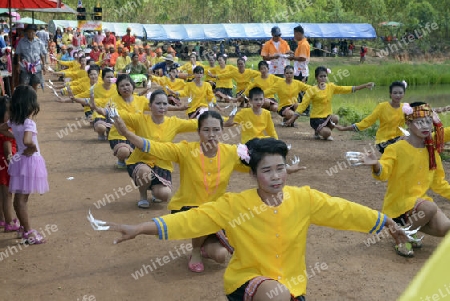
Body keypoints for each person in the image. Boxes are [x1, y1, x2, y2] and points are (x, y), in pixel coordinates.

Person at [93, 136, 407, 299]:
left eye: (280, 168)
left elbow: (344, 210)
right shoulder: (234, 204)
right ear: (253, 174)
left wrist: (385, 222)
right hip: (248, 283)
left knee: (283, 292)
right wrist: (141, 228)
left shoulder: (305, 199)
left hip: (292, 287)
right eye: (266, 170)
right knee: (275, 293)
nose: (275, 176)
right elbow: (190, 220)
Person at [109, 111, 305, 273]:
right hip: (186, 208)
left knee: (220, 257)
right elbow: (153, 146)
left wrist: (285, 169)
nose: (211, 134)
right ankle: (195, 250)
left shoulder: (230, 153)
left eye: (216, 130)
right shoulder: (186, 150)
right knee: (201, 213)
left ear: (222, 131)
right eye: (206, 130)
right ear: (198, 131)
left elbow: (258, 168)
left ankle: (204, 245)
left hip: (216, 212)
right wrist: (126, 132)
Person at [360, 102, 449, 257]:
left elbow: (439, 183)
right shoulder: (396, 148)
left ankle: (408, 228)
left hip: (419, 204)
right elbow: (383, 172)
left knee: (445, 227)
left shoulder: (431, 152)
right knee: (429, 208)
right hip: (399, 204)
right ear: (408, 123)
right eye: (419, 122)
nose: (425, 126)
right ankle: (401, 238)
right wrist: (375, 165)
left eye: (428, 121)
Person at [119, 89, 197, 208]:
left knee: (164, 195)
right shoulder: (140, 120)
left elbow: (197, 123)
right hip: (141, 161)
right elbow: (119, 115)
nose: (162, 107)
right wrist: (99, 108)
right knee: (144, 172)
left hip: (162, 164)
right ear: (150, 106)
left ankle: (155, 189)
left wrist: (226, 121)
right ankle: (143, 195)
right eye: (158, 103)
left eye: (165, 104)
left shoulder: (174, 122)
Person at [0, 86, 48, 244]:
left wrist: (14, 135)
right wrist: (32, 147)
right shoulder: (29, 123)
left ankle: (22, 227)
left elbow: (1, 128)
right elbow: (28, 140)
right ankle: (28, 232)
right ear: (30, 105)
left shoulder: (13, 121)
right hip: (29, 161)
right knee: (22, 199)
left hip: (19, 161)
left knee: (19, 198)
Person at [286, 66, 374, 140]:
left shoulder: (331, 87)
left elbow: (347, 89)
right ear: (316, 78)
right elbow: (302, 106)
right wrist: (292, 119)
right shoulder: (311, 90)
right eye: (321, 76)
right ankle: (320, 131)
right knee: (327, 133)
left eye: (325, 76)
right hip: (316, 118)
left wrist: (364, 85)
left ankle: (323, 131)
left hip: (327, 117)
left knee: (335, 118)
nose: (323, 78)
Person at [90, 74, 149, 168]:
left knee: (151, 151)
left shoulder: (141, 100)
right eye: (121, 86)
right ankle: (121, 160)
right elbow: (105, 111)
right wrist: (96, 108)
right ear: (118, 89)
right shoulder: (113, 100)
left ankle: (133, 155)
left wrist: (178, 107)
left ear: (132, 86)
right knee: (124, 151)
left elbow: (156, 107)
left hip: (137, 135)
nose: (125, 88)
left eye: (127, 85)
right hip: (118, 136)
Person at [336, 81, 407, 153]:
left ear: (404, 94)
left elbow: (414, 122)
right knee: (395, 151)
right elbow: (368, 121)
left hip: (399, 139)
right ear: (390, 94)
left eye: (400, 93)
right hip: (383, 141)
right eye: (395, 93)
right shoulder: (382, 107)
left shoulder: (406, 108)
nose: (398, 95)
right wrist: (344, 128)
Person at [0, 96, 18, 233]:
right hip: (5, 166)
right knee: (7, 196)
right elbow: (7, 149)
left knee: (1, 195)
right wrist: (11, 159)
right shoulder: (6, 133)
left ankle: (1, 219)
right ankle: (9, 222)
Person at [15, 24, 47, 91]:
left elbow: (42, 55)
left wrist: (44, 65)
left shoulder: (39, 42)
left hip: (36, 67)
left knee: (35, 83)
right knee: (24, 84)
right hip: (25, 67)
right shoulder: (22, 42)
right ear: (26, 32)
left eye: (32, 32)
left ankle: (33, 99)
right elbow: (18, 54)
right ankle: (26, 100)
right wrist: (18, 66)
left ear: (35, 33)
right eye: (29, 32)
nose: (31, 33)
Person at [290, 25, 311, 116]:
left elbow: (302, 58)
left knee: (302, 91)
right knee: (299, 91)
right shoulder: (301, 44)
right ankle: (301, 108)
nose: (294, 36)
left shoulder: (303, 44)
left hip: (301, 71)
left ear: (299, 33)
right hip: (299, 70)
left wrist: (293, 57)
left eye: (295, 34)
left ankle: (306, 110)